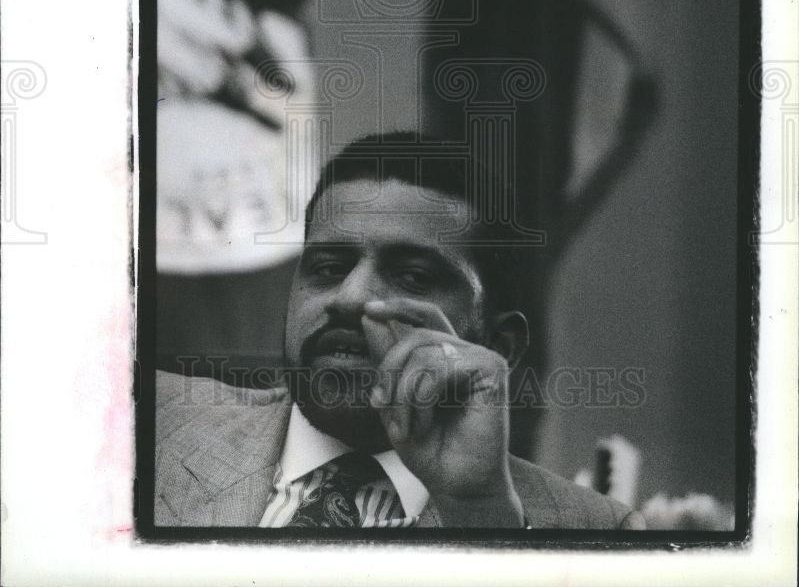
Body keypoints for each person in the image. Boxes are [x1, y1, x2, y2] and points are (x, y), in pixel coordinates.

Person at [155, 133, 645, 529]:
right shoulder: (154, 425)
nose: (349, 298)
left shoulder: (600, 528)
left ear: (498, 346)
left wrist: (477, 513)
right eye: (327, 267)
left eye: (413, 277)